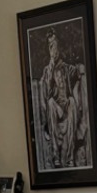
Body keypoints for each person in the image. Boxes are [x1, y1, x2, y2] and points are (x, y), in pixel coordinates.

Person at [37, 30, 91, 170]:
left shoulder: (67, 68)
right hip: (54, 108)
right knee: (50, 103)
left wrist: (82, 70)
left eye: (55, 45)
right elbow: (47, 93)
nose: (53, 50)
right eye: (50, 46)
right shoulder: (47, 71)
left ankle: (69, 158)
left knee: (72, 102)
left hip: (67, 107)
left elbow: (79, 71)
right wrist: (50, 69)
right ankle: (56, 155)